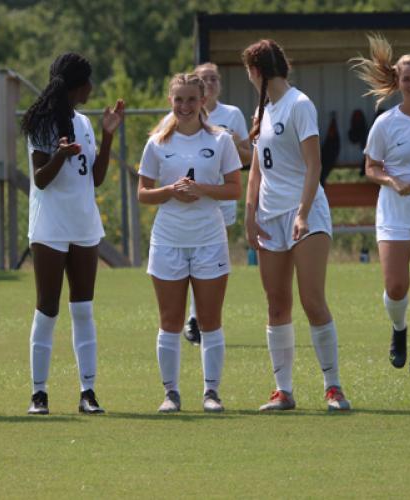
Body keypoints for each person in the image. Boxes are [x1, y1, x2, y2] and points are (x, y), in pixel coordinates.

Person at [242, 40, 351, 411]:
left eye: (249, 72)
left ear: (257, 71)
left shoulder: (299, 104)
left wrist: (303, 213)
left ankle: (333, 387)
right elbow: (257, 172)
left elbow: (314, 166)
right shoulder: (264, 112)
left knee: (312, 300)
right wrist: (249, 214)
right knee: (276, 305)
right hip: (270, 218)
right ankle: (283, 391)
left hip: (306, 213)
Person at [21, 53, 124, 415]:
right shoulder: (40, 123)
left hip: (83, 224)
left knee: (83, 309)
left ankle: (88, 392)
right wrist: (60, 155)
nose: (92, 88)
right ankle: (39, 394)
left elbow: (94, 178)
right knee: (47, 309)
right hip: (49, 226)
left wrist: (108, 135)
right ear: (75, 85)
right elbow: (40, 180)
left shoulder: (84, 122)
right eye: (88, 82)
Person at [138, 73, 242, 413]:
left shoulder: (221, 140)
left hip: (209, 239)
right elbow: (143, 193)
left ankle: (211, 392)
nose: (184, 107)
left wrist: (201, 190)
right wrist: (170, 192)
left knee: (210, 320)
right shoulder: (157, 143)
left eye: (191, 100)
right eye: (178, 100)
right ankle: (171, 393)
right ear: (171, 101)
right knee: (170, 319)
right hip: (168, 240)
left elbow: (234, 188)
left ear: (203, 101)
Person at [351, 35, 410, 377]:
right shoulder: (386, 122)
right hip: (395, 211)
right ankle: (398, 329)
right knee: (396, 286)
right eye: (406, 78)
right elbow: (371, 167)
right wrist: (394, 182)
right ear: (397, 82)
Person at [182, 62, 251, 346]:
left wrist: (233, 143)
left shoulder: (231, 115)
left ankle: (202, 318)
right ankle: (193, 317)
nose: (209, 84)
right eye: (204, 79)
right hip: (191, 198)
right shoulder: (184, 113)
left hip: (220, 195)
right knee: (189, 255)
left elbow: (249, 156)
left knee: (210, 261)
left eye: (214, 79)